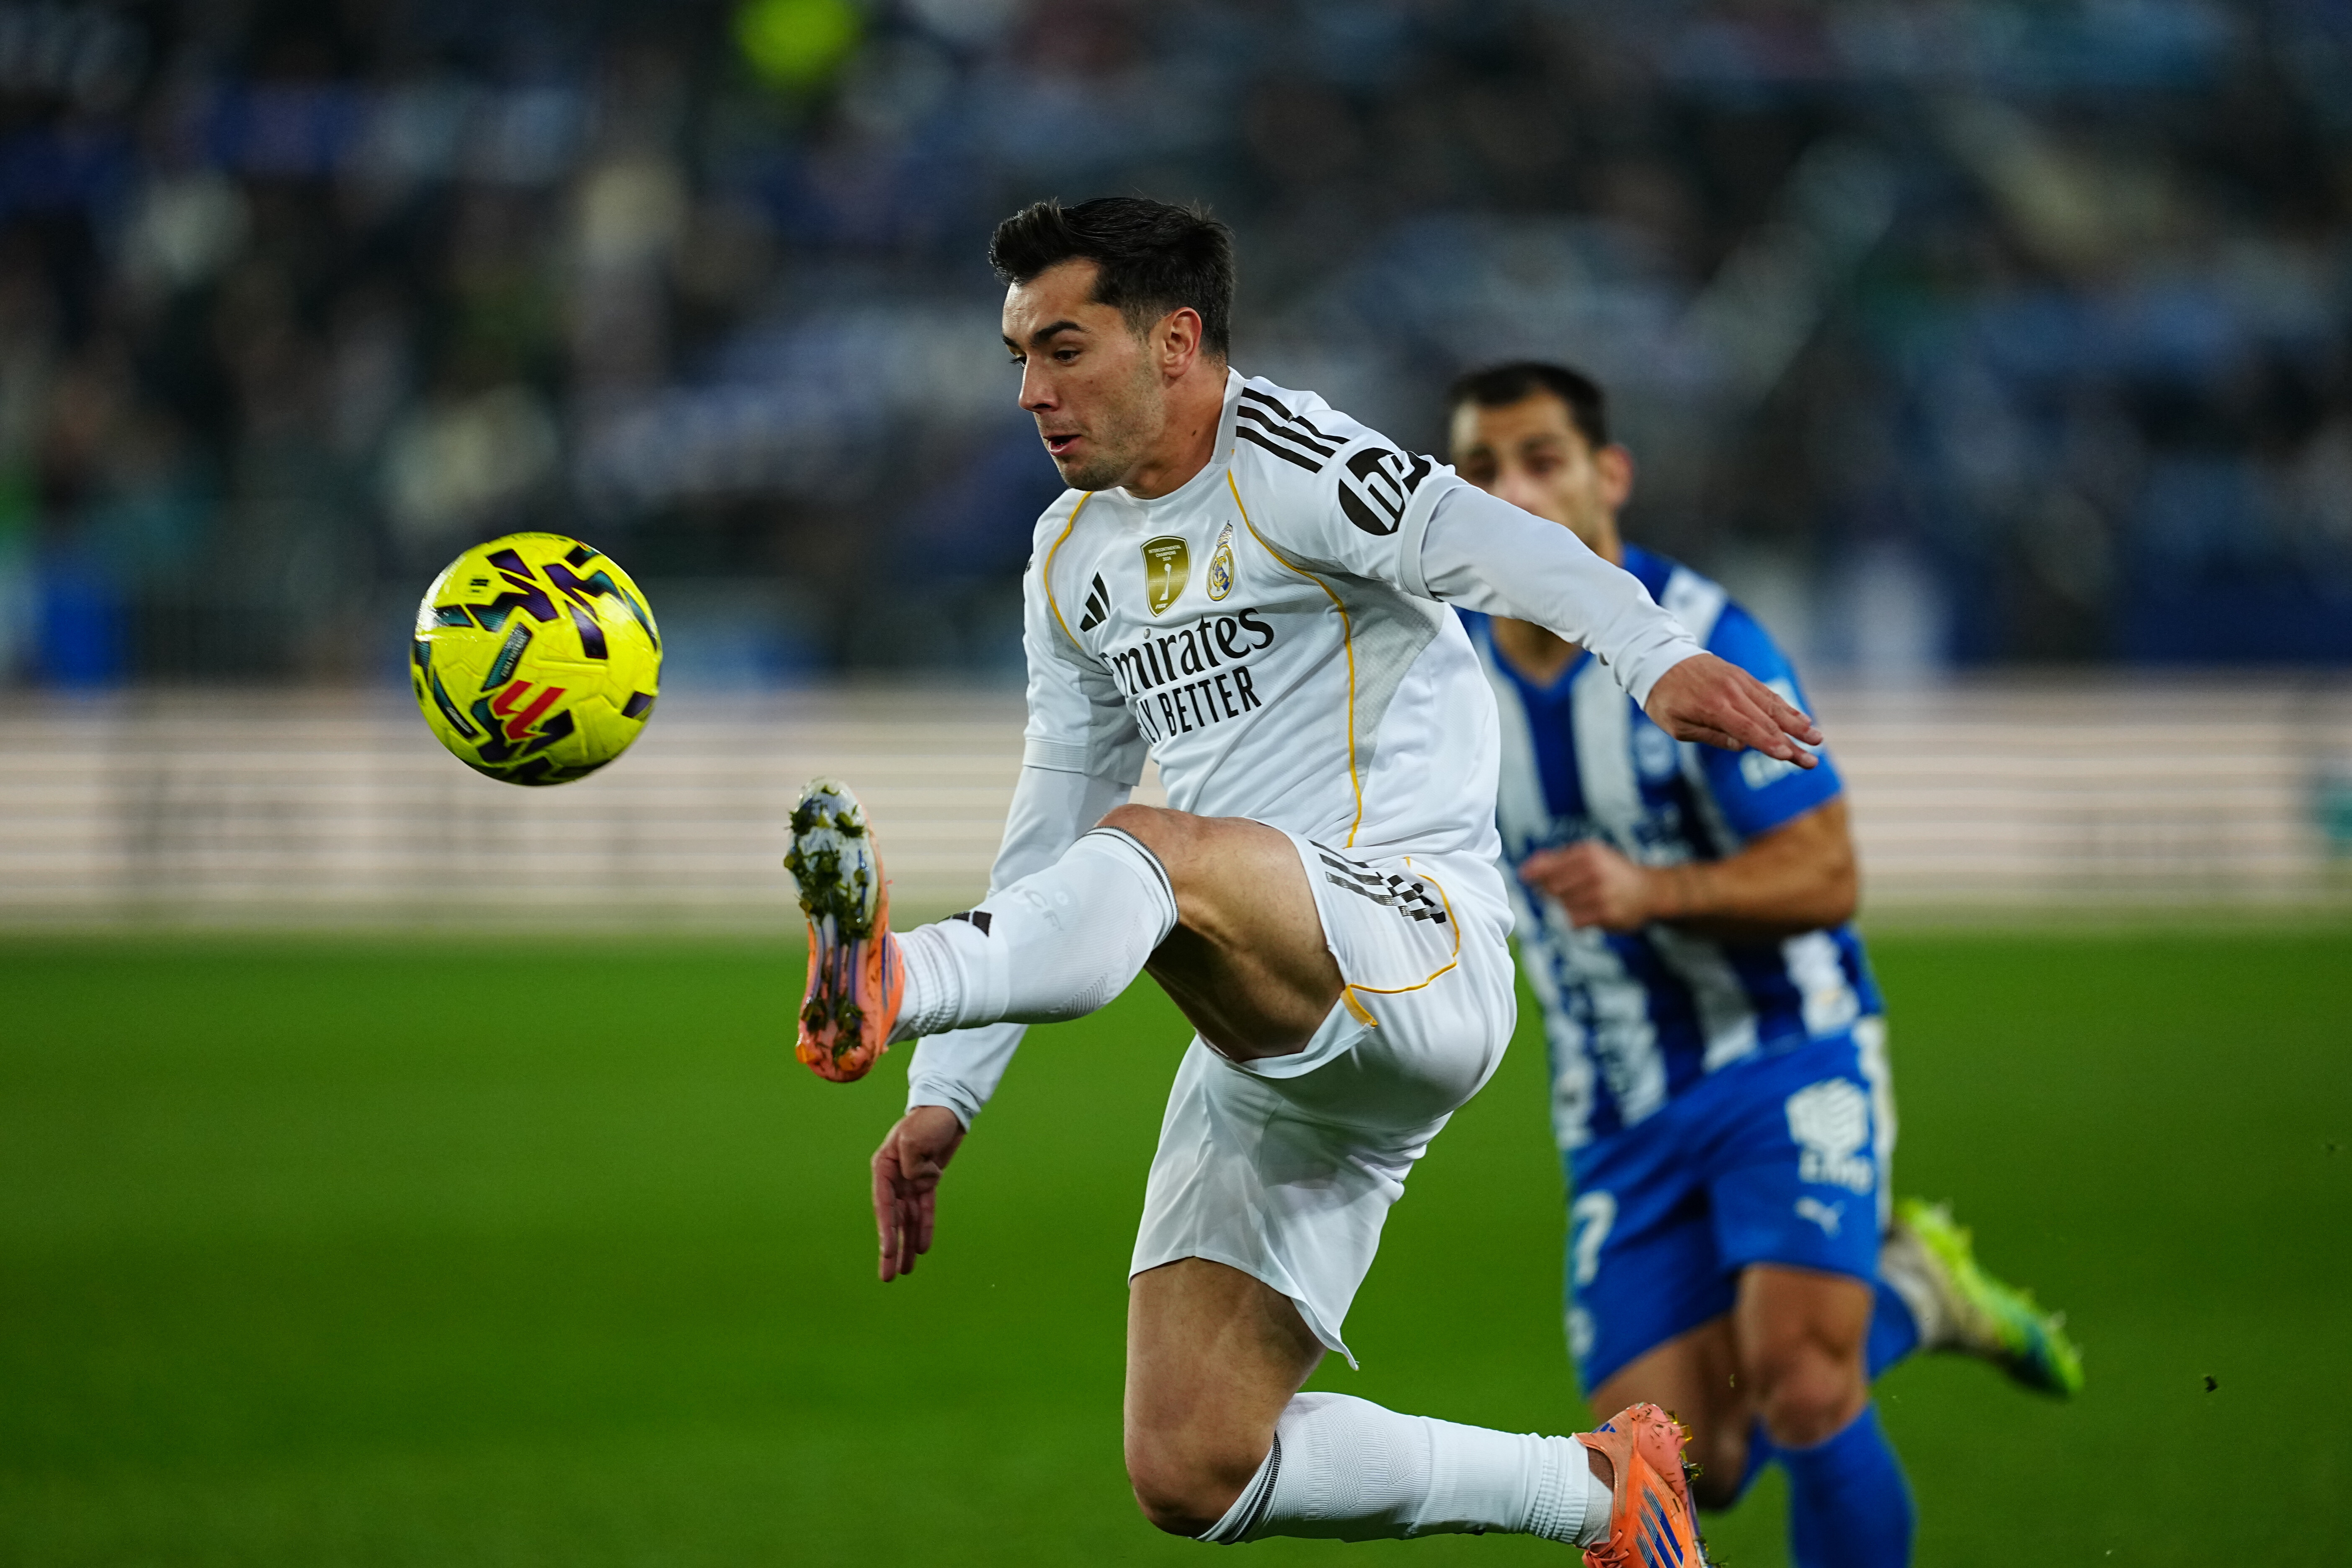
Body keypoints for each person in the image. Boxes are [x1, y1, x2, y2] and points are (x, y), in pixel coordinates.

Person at [784, 197, 1824, 1563]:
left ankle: (892, 977)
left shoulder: (1293, 459)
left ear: (1176, 341)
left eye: (1065, 348)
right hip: (1264, 1021)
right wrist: (950, 1097)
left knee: (1156, 852)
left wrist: (1651, 656)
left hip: (1416, 946)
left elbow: (1495, 539)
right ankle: (1602, 1497)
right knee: (1192, 1465)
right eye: (1019, 358)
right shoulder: (1070, 556)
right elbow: (1052, 824)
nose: (1032, 391)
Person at [1442, 361, 2084, 1568]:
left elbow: (1826, 876)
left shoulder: (1702, 638)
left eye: (1542, 458)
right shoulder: (1439, 668)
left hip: (1784, 1057)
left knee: (1801, 1379)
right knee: (1686, 1464)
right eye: (1480, 469)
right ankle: (1913, 1296)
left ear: (1609, 476)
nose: (1512, 490)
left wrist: (1655, 893)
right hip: (1617, 1105)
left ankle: (1865, 1319)